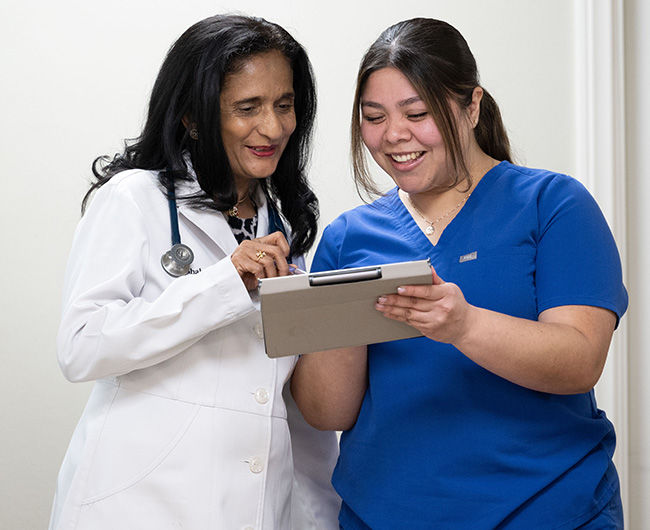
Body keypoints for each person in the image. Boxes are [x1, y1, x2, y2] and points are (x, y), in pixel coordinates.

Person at [291, 17, 628, 530]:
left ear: (472, 106)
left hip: (547, 507)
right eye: (373, 116)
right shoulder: (347, 239)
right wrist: (323, 316)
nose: (394, 135)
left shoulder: (552, 205)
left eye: (417, 112)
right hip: (386, 513)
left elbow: (580, 360)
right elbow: (328, 413)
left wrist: (465, 327)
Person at [50, 14, 340, 530]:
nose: (273, 128)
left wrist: (321, 515)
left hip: (255, 507)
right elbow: (81, 345)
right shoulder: (135, 198)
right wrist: (223, 282)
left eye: (284, 104)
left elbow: (290, 406)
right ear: (194, 115)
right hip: (141, 504)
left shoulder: (284, 224)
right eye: (247, 108)